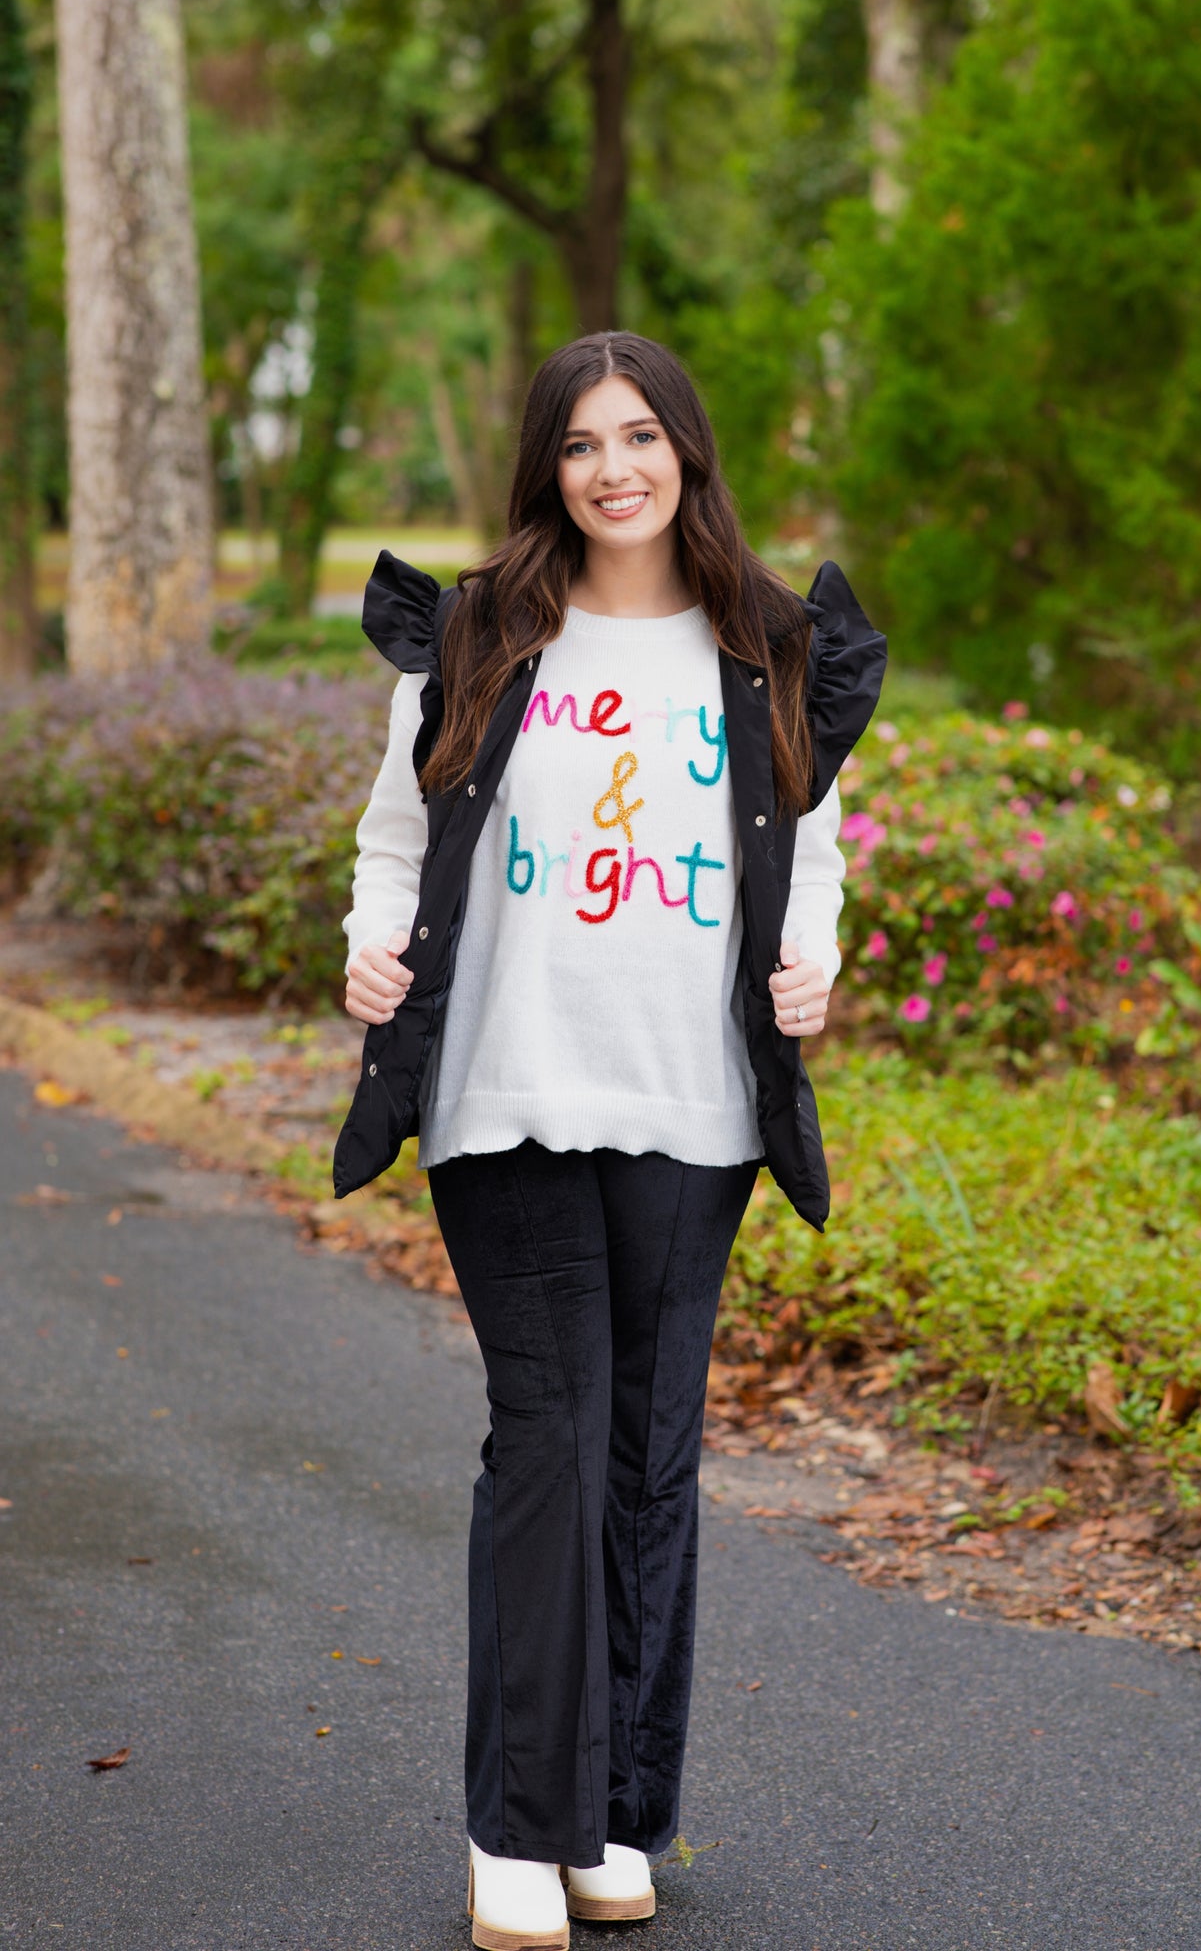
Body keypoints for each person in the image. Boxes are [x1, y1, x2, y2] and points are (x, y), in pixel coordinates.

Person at [333, 331, 885, 1950]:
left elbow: (815, 842)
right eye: (580, 445)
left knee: (650, 1453)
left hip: (693, 1100)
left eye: (639, 436)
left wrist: (816, 955)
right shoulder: (483, 633)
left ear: (686, 454)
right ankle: (517, 1828)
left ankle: (615, 1817)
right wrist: (369, 954)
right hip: (505, 1093)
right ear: (546, 468)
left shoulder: (764, 643)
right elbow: (394, 832)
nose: (612, 468)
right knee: (552, 1438)